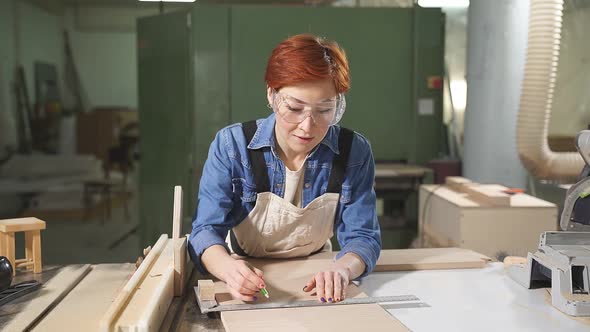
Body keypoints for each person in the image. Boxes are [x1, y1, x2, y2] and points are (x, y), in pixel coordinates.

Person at [188, 33, 381, 304]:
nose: (307, 126)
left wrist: (343, 270)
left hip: (318, 274)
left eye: (325, 110)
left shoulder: (354, 152)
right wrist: (229, 269)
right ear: (272, 95)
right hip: (248, 270)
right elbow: (204, 231)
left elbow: (363, 236)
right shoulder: (233, 145)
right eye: (294, 107)